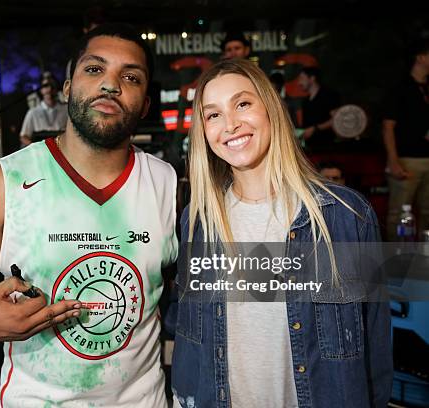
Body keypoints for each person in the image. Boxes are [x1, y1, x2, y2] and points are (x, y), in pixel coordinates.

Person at [0, 23, 178, 407]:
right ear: (68, 86)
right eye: (94, 69)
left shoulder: (166, 183)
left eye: (130, 77)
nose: (110, 85)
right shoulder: (5, 182)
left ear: (145, 104)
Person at [170, 59, 392, 407]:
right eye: (212, 115)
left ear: (270, 108)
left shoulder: (346, 216)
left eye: (242, 103)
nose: (230, 124)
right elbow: (190, 342)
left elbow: (375, 346)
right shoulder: (196, 222)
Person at [383, 37, 429, 241]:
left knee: (427, 213)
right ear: (420, 57)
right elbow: (388, 126)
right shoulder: (400, 88)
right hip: (407, 159)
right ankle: (396, 259)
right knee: (400, 214)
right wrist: (393, 160)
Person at [297, 66, 341, 151]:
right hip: (310, 148)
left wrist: (315, 128)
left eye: (302, 78)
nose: (299, 82)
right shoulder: (305, 101)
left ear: (312, 78)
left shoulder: (328, 95)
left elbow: (337, 119)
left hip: (327, 147)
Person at [19, 75, 68, 147]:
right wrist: (37, 149)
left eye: (52, 86)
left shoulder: (66, 110)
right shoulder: (33, 112)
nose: (49, 89)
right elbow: (23, 136)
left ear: (56, 88)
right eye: (45, 86)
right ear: (41, 90)